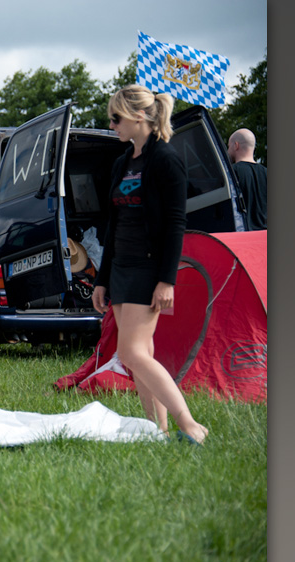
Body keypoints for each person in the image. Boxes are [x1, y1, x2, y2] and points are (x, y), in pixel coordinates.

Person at [91, 84, 208, 445]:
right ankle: (158, 431)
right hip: (123, 268)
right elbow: (113, 226)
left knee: (131, 353)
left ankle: (190, 425)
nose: (112, 126)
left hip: (148, 269)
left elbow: (176, 223)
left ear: (139, 116)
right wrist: (102, 278)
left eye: (116, 118)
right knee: (142, 355)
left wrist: (166, 280)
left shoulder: (165, 159)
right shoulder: (122, 163)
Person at [227, 128, 267, 230]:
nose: (227, 151)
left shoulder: (231, 173)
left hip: (243, 236)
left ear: (236, 145)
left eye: (228, 146)